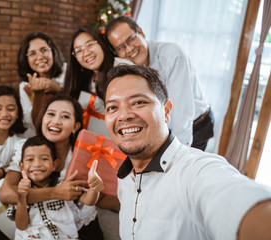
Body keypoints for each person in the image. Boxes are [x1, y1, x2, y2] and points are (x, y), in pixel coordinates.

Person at [103, 64, 271, 240]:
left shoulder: (196, 171)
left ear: (166, 111)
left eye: (138, 102)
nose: (124, 116)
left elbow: (236, 200)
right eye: (112, 107)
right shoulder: (125, 176)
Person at [0, 95, 105, 239]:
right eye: (51, 114)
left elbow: (90, 197)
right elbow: (6, 194)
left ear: (76, 126)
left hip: (83, 226)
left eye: (65, 116)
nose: (56, 121)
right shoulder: (28, 148)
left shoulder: (85, 154)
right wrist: (56, 192)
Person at [105, 16, 214, 150]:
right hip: (166, 128)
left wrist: (177, 154)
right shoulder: (128, 65)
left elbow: (181, 115)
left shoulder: (173, 56)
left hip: (195, 125)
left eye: (131, 39)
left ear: (141, 32)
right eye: (120, 47)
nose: (128, 49)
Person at [14, 136, 104, 239]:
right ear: (22, 166)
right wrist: (21, 197)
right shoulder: (22, 190)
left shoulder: (64, 186)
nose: (37, 164)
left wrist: (94, 188)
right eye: (30, 159)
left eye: (44, 159)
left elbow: (88, 200)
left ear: (54, 165)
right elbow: (21, 226)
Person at [18, 31, 67, 137]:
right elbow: (34, 123)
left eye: (44, 50)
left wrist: (57, 89)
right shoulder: (25, 87)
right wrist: (38, 95)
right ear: (26, 59)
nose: (39, 57)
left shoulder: (67, 72)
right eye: (32, 53)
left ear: (53, 52)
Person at [63, 25, 117, 101]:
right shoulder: (87, 78)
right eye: (78, 51)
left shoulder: (121, 68)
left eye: (90, 44)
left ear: (101, 43)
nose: (86, 53)